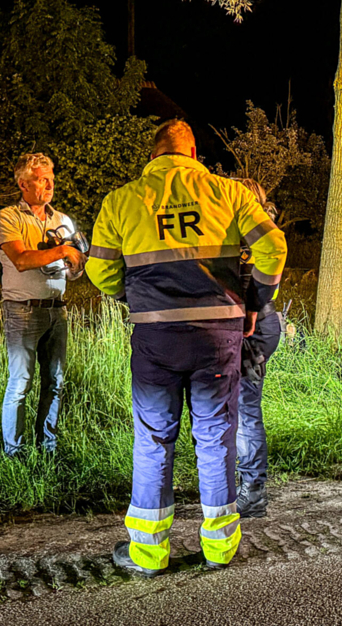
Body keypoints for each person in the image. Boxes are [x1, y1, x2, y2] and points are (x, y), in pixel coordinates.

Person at [86, 119, 287, 577]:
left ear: (153, 154)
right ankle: (219, 547)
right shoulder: (229, 193)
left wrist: (132, 296)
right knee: (216, 436)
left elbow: (99, 271)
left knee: (154, 439)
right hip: (217, 336)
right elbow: (274, 245)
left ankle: (148, 553)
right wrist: (255, 301)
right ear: (193, 153)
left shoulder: (121, 200)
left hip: (156, 337)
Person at [0, 153, 87, 457]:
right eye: (41, 179)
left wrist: (76, 265)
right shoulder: (8, 217)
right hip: (22, 309)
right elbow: (21, 260)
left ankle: (48, 448)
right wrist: (62, 251)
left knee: (55, 381)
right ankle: (14, 453)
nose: (49, 184)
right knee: (21, 382)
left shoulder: (63, 221)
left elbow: (75, 269)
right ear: (23, 184)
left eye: (51, 178)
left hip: (57, 309)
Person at [233, 178, 282, 519]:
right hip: (258, 324)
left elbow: (250, 286)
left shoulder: (248, 237)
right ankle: (242, 485)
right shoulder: (259, 231)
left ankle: (253, 492)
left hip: (253, 327)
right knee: (236, 410)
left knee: (245, 410)